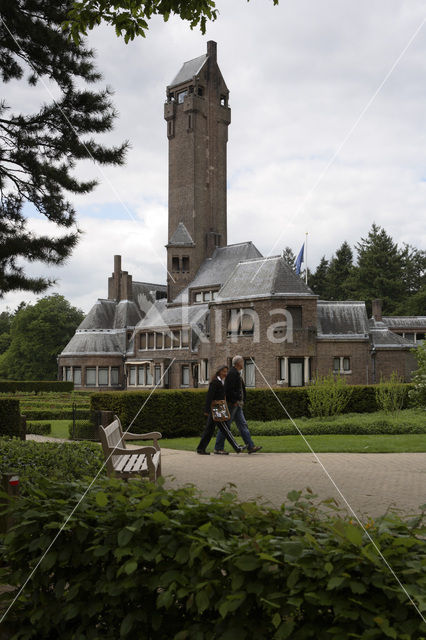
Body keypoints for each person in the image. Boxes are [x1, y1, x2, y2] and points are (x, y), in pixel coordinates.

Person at [214, 356, 262, 454]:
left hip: (237, 404)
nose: (243, 363)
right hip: (233, 404)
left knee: (242, 425)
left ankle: (250, 446)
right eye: (242, 361)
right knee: (226, 426)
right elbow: (228, 390)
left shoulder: (235, 373)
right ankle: (218, 448)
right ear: (238, 363)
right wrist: (235, 400)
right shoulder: (232, 374)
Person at [196, 365, 245, 455]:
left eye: (226, 371)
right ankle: (237, 448)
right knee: (225, 429)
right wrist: (207, 410)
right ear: (219, 372)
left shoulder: (222, 382)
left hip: (218, 408)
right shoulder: (215, 382)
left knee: (209, 430)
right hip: (216, 409)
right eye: (224, 371)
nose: (225, 373)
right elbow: (209, 397)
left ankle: (200, 449)